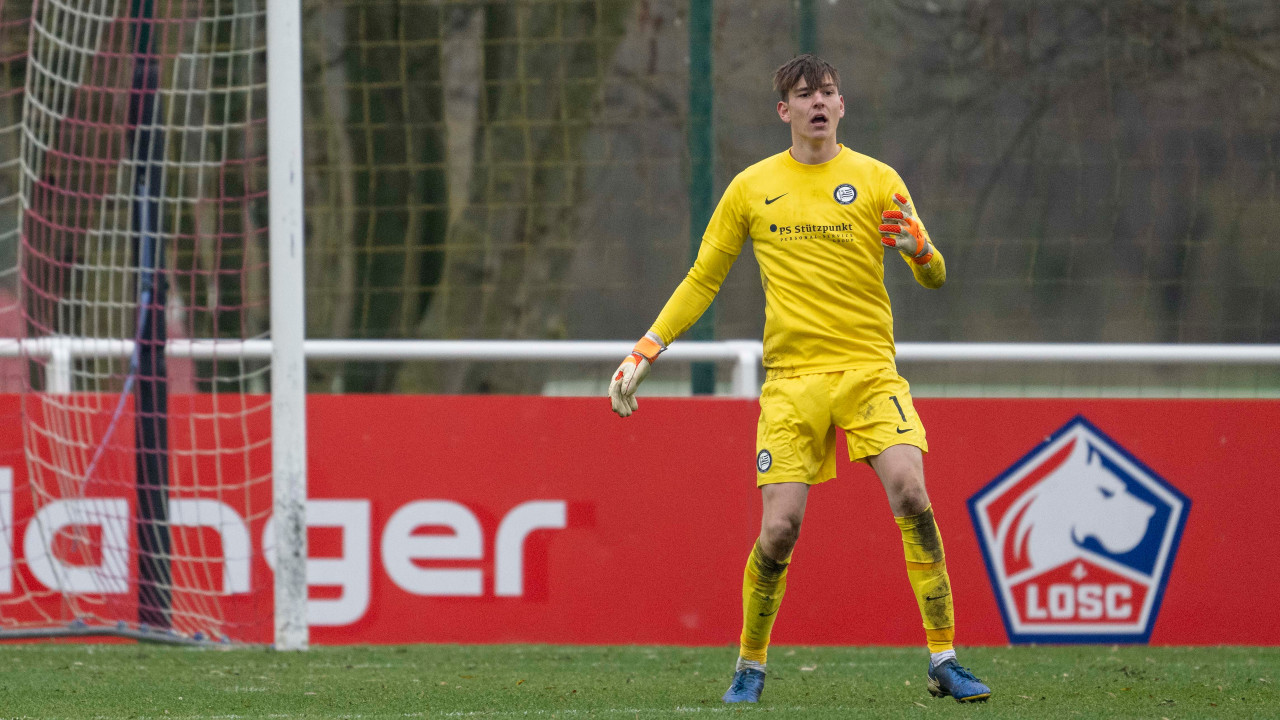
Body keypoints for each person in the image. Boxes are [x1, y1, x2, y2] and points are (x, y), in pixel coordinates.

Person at [607, 54, 992, 704]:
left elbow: (935, 275)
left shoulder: (878, 180)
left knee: (911, 493)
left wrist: (920, 251)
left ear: (842, 106)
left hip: (870, 373)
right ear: (784, 110)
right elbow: (703, 278)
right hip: (792, 383)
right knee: (780, 529)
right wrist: (648, 347)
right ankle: (750, 665)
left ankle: (944, 656)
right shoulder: (752, 188)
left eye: (828, 92)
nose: (818, 102)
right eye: (805, 94)